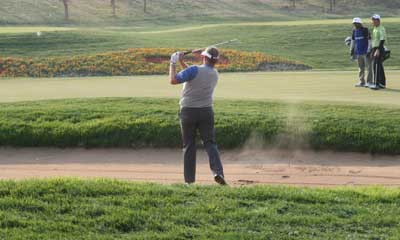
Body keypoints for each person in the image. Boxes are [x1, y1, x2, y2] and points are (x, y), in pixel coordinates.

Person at [169, 47, 226, 185]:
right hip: (206, 112)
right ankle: (218, 173)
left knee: (189, 145)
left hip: (188, 112)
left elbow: (173, 80)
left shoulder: (194, 70)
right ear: (216, 61)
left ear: (204, 57)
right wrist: (183, 61)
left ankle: (189, 181)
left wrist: (173, 62)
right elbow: (192, 75)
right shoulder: (215, 73)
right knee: (210, 143)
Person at [350, 17, 372, 88]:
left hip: (366, 52)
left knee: (369, 68)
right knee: (360, 68)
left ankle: (369, 82)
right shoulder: (354, 31)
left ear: (360, 23)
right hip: (358, 52)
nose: (355, 25)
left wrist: (369, 50)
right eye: (354, 23)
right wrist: (351, 50)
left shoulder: (365, 30)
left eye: (356, 23)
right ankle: (362, 82)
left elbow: (369, 40)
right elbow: (353, 41)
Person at [370, 14, 387, 90]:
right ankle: (382, 83)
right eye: (373, 20)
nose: (373, 21)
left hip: (379, 48)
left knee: (376, 66)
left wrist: (378, 50)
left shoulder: (381, 28)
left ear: (379, 21)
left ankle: (377, 84)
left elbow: (382, 40)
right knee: (378, 66)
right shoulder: (375, 28)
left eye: (375, 20)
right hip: (375, 48)